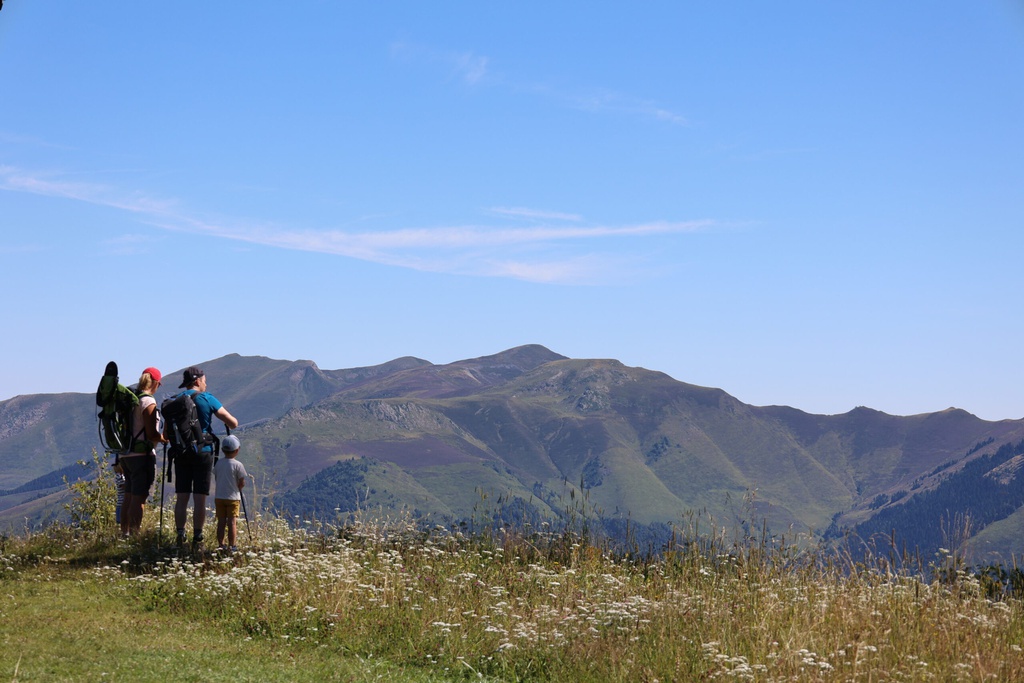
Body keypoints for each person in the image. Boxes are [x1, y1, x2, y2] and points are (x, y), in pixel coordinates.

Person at [173, 366, 238, 549]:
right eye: (204, 380)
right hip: (203, 452)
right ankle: (198, 538)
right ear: (197, 381)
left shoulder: (176, 400)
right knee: (199, 498)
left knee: (182, 497)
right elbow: (233, 423)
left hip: (181, 452)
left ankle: (180, 535)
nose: (206, 383)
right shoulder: (207, 398)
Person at [119, 367, 168, 536]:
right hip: (142, 456)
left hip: (126, 454)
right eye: (159, 384)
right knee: (139, 498)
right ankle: (134, 535)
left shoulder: (132, 400)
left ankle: (124, 533)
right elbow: (151, 433)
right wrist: (164, 438)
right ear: (155, 383)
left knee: (128, 495)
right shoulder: (148, 402)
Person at [214, 434, 248, 551]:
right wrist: (239, 487)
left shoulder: (218, 463)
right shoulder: (238, 465)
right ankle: (232, 546)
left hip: (219, 497)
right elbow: (242, 481)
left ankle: (221, 544)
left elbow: (216, 476)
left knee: (221, 522)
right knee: (232, 522)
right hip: (233, 497)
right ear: (237, 450)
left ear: (223, 450)